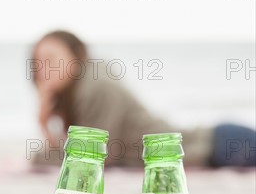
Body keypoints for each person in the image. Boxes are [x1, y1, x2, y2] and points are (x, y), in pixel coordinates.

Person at [30, 30, 255, 168]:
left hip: (218, 145)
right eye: (39, 62)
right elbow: (77, 152)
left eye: (52, 59)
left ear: (77, 54)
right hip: (217, 145)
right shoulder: (87, 85)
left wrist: (41, 143)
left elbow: (90, 159)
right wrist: (44, 124)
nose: (45, 70)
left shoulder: (97, 87)